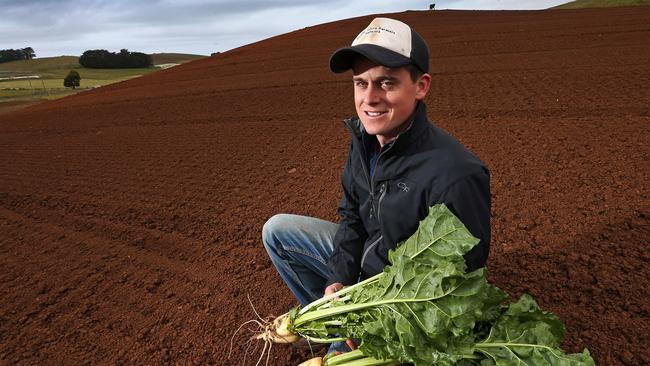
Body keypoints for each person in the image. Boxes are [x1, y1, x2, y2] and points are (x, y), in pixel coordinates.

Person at [262, 17, 491, 354]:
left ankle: (353, 343)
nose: (369, 98)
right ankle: (332, 329)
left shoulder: (455, 174)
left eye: (386, 83)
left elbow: (458, 287)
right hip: (365, 275)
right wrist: (337, 281)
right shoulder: (365, 144)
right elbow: (352, 217)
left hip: (403, 298)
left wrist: (381, 326)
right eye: (360, 83)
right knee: (278, 231)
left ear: (421, 85)